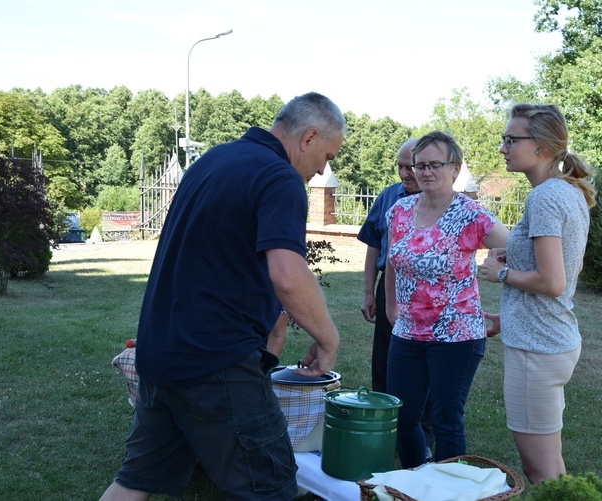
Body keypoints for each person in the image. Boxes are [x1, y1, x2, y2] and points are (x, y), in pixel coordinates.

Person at [100, 92, 346, 501]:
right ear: (309, 137)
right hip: (217, 361)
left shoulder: (214, 160)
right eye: (327, 155)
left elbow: (222, 260)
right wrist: (328, 339)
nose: (323, 170)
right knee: (270, 488)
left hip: (162, 354)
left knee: (135, 482)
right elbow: (287, 273)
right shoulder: (279, 176)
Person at [480, 103, 596, 485]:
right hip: (549, 341)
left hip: (538, 349)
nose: (503, 147)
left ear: (541, 147)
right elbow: (571, 266)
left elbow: (552, 282)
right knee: (552, 468)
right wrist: (508, 315)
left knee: (540, 471)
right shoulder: (570, 192)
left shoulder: (544, 196)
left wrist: (501, 272)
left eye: (511, 140)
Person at [384, 131, 508, 468]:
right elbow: (394, 261)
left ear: (454, 168)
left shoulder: (471, 215)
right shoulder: (399, 211)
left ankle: (449, 491)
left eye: (435, 164)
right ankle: (414, 482)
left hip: (457, 336)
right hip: (407, 334)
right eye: (419, 165)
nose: (425, 172)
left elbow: (519, 250)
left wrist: (500, 269)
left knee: (446, 420)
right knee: (402, 419)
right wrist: (391, 308)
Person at [357, 138, 435, 457]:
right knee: (385, 360)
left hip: (427, 294)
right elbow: (374, 245)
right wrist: (368, 292)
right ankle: (385, 425)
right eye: (400, 166)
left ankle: (424, 434)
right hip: (388, 289)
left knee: (425, 361)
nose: (404, 172)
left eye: (410, 166)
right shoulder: (389, 196)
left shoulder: (440, 200)